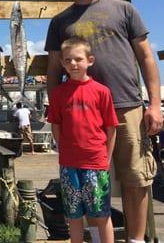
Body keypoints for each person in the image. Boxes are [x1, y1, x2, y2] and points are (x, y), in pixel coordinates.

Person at [45, 0, 163, 243]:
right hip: (80, 116)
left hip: (128, 108)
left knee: (136, 180)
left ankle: (135, 240)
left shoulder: (124, 9)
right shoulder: (60, 21)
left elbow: (146, 57)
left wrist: (155, 104)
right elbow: (52, 71)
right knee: (87, 186)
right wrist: (56, 113)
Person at [48, 37, 118, 243]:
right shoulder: (58, 94)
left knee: (102, 214)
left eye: (78, 59)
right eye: (68, 60)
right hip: (69, 164)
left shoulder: (102, 91)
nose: (73, 64)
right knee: (74, 215)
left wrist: (107, 158)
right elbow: (56, 126)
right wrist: (64, 151)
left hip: (96, 162)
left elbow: (111, 128)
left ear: (90, 60)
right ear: (62, 63)